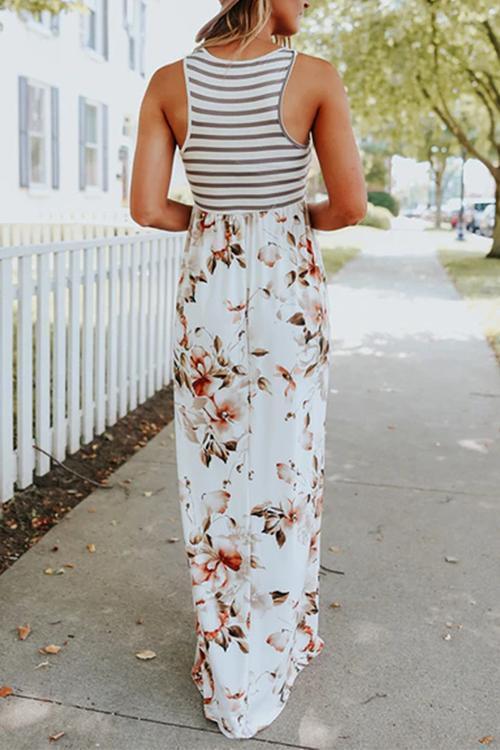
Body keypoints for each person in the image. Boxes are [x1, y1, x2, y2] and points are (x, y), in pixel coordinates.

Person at [129, 0, 366, 739]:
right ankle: (279, 643)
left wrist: (216, 221)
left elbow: (148, 208)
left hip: (210, 290)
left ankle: (230, 668)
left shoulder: (169, 82)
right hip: (287, 291)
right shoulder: (315, 77)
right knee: (287, 467)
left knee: (216, 474)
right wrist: (284, 220)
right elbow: (350, 206)